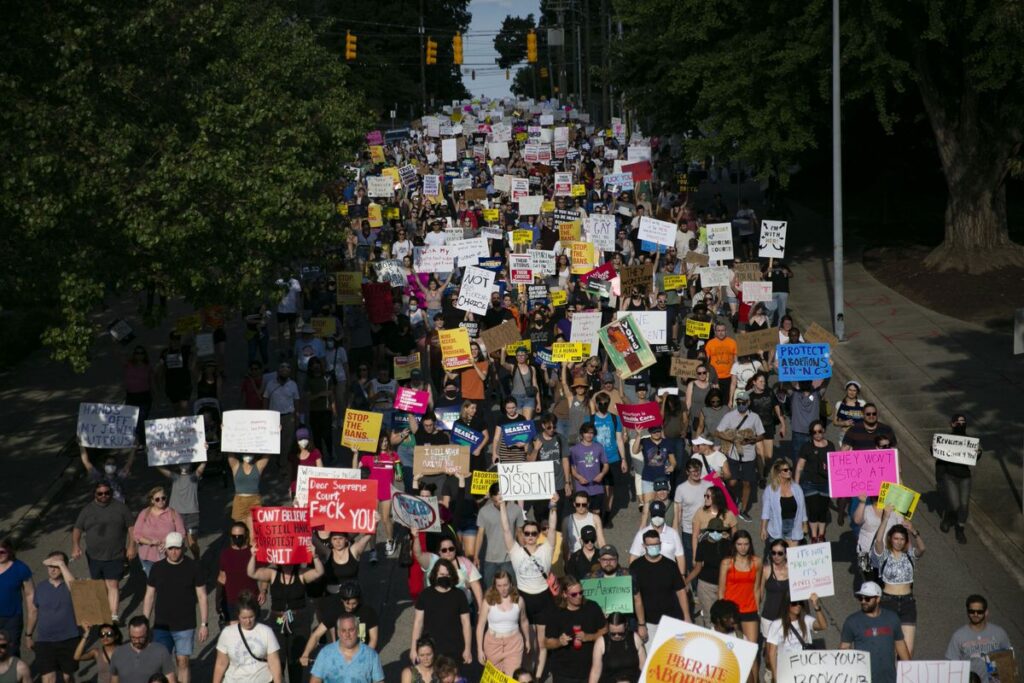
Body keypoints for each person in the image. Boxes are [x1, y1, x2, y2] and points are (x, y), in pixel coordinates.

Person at [246, 545, 324, 683]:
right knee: (278, 659)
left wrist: (315, 556)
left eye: (290, 559)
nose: (287, 563)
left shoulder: (301, 573)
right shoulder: (273, 573)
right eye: (284, 560)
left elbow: (319, 572)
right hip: (278, 621)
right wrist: (253, 555)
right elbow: (252, 573)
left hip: (298, 621)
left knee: (296, 660)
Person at [501, 495, 558, 676]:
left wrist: (553, 506)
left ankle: (538, 677)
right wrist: (502, 505)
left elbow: (553, 527)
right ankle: (526, 675)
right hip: (523, 599)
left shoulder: (546, 549)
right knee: (527, 643)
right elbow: (506, 530)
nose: (531, 536)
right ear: (523, 536)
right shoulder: (516, 551)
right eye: (527, 533)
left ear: (539, 534)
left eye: (534, 533)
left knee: (541, 643)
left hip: (543, 598)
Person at [142, 532, 208, 683]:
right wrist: (145, 622)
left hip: (185, 625)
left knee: (183, 662)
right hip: (161, 625)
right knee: (161, 663)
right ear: (165, 548)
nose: (173, 552)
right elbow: (149, 596)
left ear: (183, 548)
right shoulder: (157, 568)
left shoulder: (193, 567)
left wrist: (204, 624)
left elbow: (202, 596)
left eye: (177, 548)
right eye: (170, 548)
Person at [72, 483, 136, 625]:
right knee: (99, 585)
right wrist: (75, 546)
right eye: (100, 493)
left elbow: (132, 527)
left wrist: (132, 546)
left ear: (111, 493)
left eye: (106, 493)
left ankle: (113, 616)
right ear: (94, 494)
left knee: (113, 584)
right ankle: (101, 613)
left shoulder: (121, 508)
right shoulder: (87, 510)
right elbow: (77, 528)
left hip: (115, 554)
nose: (103, 496)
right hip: (94, 556)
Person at [872, 506, 926, 656]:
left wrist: (914, 531)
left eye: (902, 539)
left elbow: (922, 549)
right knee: (889, 650)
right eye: (896, 538)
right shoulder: (883, 555)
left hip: (908, 603)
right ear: (890, 539)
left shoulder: (909, 555)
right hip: (888, 602)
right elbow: (878, 541)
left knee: (907, 652)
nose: (899, 542)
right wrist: (885, 518)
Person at [839, 581, 910, 683]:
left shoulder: (892, 618)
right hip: (864, 679)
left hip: (889, 679)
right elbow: (844, 648)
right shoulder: (851, 621)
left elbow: (900, 644)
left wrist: (910, 670)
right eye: (860, 598)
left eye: (867, 598)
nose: (863, 601)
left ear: (878, 599)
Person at [24, 551, 78, 683]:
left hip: (68, 638)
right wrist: (28, 635)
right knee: (48, 678)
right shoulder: (41, 587)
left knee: (67, 677)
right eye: (50, 565)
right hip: (45, 641)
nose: (53, 569)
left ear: (64, 567)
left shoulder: (70, 585)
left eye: (57, 566)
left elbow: (77, 591)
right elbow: (33, 612)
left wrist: (61, 564)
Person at [543, 575, 608, 683]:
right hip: (564, 674)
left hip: (590, 671)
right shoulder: (556, 613)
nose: (579, 596)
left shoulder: (592, 607)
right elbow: (547, 642)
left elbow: (604, 630)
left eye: (581, 592)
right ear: (564, 594)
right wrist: (559, 642)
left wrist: (589, 637)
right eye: (574, 594)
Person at [631, 530, 691, 645]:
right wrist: (641, 624)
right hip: (648, 622)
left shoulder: (671, 565)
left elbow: (681, 592)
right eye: (650, 545)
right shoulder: (636, 566)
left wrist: (686, 616)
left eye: (656, 544)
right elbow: (635, 597)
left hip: (671, 620)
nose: (654, 547)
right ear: (644, 546)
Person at [301, 582, 379, 666]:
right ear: (342, 600)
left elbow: (373, 639)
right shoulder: (335, 611)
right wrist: (305, 654)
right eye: (347, 603)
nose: (351, 607)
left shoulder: (368, 612)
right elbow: (316, 635)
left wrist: (365, 658)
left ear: (359, 600)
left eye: (354, 603)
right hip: (341, 659)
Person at [410, 559, 471, 665]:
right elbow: (418, 623)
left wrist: (468, 649)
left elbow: (466, 623)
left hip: (455, 648)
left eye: (448, 574)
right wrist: (413, 648)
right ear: (435, 575)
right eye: (442, 574)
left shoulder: (459, 595)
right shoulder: (425, 595)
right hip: (431, 649)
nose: (445, 577)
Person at [714, 391, 764, 521]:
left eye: (743, 402)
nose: (741, 405)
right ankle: (732, 498)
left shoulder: (755, 417)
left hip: (749, 456)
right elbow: (718, 432)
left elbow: (761, 435)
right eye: (738, 402)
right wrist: (730, 438)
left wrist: (752, 440)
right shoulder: (729, 416)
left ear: (749, 402)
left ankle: (743, 510)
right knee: (732, 481)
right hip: (733, 454)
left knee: (747, 483)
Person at [212, 593, 283, 683]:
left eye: (251, 617)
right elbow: (221, 663)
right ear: (238, 615)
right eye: (244, 618)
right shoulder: (227, 633)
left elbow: (274, 662)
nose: (248, 621)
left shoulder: (266, 632)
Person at [718, 529, 762, 668]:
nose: (743, 547)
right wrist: (722, 614)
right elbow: (721, 590)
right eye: (739, 544)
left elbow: (757, 588)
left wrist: (757, 609)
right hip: (731, 612)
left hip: (750, 610)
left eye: (746, 544)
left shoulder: (757, 562)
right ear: (734, 545)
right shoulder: (727, 563)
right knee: (732, 652)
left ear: (750, 545)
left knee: (752, 652)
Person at [945, 594, 1013, 680]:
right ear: (967, 612)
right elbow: (952, 667)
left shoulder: (999, 633)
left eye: (979, 612)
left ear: (986, 612)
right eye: (972, 611)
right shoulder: (958, 636)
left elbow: (1008, 662)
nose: (975, 614)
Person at [475, 571, 530, 677]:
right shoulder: (488, 601)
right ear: (495, 586)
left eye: (505, 585)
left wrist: (527, 640)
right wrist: (479, 650)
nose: (503, 589)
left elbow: (524, 621)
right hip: (492, 644)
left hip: (514, 644)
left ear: (511, 584)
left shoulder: (519, 600)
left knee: (513, 677)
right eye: (499, 585)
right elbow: (480, 626)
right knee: (495, 678)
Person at [935, 414, 977, 544]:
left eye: (963, 422)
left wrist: (978, 453)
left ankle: (960, 529)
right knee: (955, 504)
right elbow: (938, 457)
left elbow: (972, 457)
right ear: (952, 424)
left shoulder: (969, 442)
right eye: (958, 422)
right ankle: (948, 517)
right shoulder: (946, 440)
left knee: (964, 505)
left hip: (965, 477)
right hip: (950, 476)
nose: (961, 424)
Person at [764, 593, 827, 679]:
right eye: (794, 603)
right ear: (787, 604)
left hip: (806, 667)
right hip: (787, 668)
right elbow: (772, 653)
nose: (798, 606)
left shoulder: (806, 619)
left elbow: (823, 626)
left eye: (800, 603)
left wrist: (816, 606)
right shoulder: (777, 624)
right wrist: (776, 677)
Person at [309, 613, 385, 683]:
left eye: (351, 630)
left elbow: (379, 681)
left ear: (358, 631)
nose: (347, 634)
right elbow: (315, 680)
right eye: (343, 630)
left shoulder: (371, 655)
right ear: (338, 633)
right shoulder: (325, 653)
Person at [133, 487, 186, 577]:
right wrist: (151, 542)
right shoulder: (144, 513)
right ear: (152, 500)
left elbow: (181, 533)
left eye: (163, 498)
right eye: (157, 499)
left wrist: (167, 542)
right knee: (153, 582)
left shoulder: (173, 513)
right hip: (147, 556)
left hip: (169, 556)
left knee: (168, 581)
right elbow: (136, 534)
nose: (161, 501)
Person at [795, 420, 833, 543]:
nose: (817, 434)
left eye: (819, 431)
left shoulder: (830, 445)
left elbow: (836, 465)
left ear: (824, 431)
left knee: (823, 510)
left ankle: (821, 535)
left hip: (826, 483)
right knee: (813, 509)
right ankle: (814, 535)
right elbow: (800, 466)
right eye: (814, 432)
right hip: (809, 484)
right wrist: (796, 485)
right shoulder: (806, 446)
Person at [156, 464, 205, 560]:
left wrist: (204, 452)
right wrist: (153, 458)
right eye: (182, 463)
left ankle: (197, 560)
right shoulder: (176, 477)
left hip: (191, 515)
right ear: (178, 466)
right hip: (176, 515)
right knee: (175, 542)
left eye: (187, 463)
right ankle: (178, 563)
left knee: (192, 544)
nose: (184, 465)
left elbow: (202, 466)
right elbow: (161, 468)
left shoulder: (193, 477)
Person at [671, 458, 712, 574]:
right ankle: (695, 587)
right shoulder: (681, 489)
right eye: (693, 471)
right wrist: (675, 529)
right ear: (687, 472)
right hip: (688, 530)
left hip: (706, 529)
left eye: (698, 470)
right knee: (691, 561)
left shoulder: (709, 486)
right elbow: (678, 511)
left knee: (707, 560)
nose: (696, 473)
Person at [108, 616, 178, 683]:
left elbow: (171, 680)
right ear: (129, 633)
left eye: (141, 637)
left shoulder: (161, 651)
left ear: (147, 633)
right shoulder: (118, 653)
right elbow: (114, 680)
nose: (137, 641)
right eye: (133, 637)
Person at [216, 523, 261, 624]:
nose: (237, 538)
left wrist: (263, 590)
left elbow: (263, 573)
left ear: (246, 535)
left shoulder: (253, 552)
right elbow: (222, 578)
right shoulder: (225, 554)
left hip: (251, 600)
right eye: (234, 536)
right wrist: (218, 601)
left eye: (240, 536)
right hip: (232, 601)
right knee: (234, 635)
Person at [628, 501, 685, 575]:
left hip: (669, 575)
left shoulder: (673, 533)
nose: (657, 518)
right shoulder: (641, 534)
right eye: (654, 515)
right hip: (647, 575)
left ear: (664, 515)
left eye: (660, 515)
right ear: (650, 515)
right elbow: (633, 557)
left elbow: (680, 556)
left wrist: (682, 575)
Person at [760, 458, 807, 546]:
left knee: (792, 557)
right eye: (785, 470)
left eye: (790, 469)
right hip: (776, 525)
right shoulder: (770, 490)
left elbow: (802, 507)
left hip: (794, 526)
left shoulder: (796, 488)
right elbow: (765, 512)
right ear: (778, 473)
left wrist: (805, 524)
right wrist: (763, 528)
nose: (789, 471)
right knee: (779, 555)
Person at [587, 612, 646, 683]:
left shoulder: (635, 638)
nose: (616, 636)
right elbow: (595, 672)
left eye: (620, 633)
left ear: (626, 626)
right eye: (613, 634)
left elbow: (644, 667)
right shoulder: (601, 642)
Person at [0, 540, 35, 659]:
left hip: (12, 619)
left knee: (10, 654)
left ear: (9, 550)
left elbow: (30, 594)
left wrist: (32, 615)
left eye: (2, 551)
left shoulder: (20, 568)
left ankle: (17, 676)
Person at [263, 362, 301, 466]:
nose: (285, 370)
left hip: (289, 416)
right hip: (273, 417)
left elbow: (296, 401)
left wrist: (297, 417)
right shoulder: (270, 384)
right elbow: (266, 398)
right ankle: (277, 458)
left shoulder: (293, 385)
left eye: (288, 367)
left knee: (287, 441)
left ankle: (283, 462)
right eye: (282, 367)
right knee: (275, 440)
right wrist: (265, 415)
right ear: (278, 370)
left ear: (290, 372)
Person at [570, 423, 610, 514]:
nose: (589, 435)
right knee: (582, 511)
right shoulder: (574, 449)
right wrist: (579, 477)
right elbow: (571, 467)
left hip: (597, 486)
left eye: (591, 433)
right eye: (586, 433)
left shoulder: (599, 447)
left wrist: (602, 474)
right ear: (582, 434)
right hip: (582, 486)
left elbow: (606, 464)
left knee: (596, 511)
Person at [227, 453, 269, 538]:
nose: (248, 454)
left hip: (254, 501)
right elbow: (229, 451)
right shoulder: (236, 465)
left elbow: (268, 453)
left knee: (253, 535)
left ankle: (253, 550)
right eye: (246, 452)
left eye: (250, 452)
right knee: (240, 534)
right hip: (239, 502)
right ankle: (242, 550)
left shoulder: (258, 465)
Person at [758, 539, 790, 637]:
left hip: (788, 617)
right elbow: (760, 592)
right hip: (769, 616)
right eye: (773, 553)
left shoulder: (793, 569)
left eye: (780, 553)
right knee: (769, 649)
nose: (776, 556)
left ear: (786, 554)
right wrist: (756, 609)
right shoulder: (766, 570)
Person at [563, 491, 607, 556]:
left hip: (592, 556)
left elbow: (601, 541)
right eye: (578, 504)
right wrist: (567, 562)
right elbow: (565, 544)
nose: (581, 507)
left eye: (584, 505)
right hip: (575, 557)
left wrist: (605, 556)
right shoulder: (567, 520)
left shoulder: (595, 518)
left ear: (588, 504)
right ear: (574, 504)